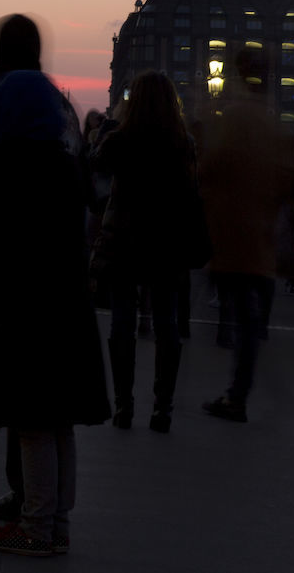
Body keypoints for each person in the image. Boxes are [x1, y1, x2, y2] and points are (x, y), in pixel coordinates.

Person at [0, 14, 109, 558]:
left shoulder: (14, 161)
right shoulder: (62, 154)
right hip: (66, 294)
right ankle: (57, 523)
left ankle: (34, 526)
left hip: (26, 300)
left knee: (31, 418)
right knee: (59, 420)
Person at [92, 71, 206, 433]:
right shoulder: (182, 141)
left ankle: (124, 405)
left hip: (126, 241)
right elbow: (192, 187)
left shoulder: (120, 139)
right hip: (167, 242)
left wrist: (108, 126)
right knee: (166, 322)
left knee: (122, 320)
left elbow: (95, 163)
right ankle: (162, 408)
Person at [199, 48, 294, 422]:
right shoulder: (274, 123)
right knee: (250, 317)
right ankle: (239, 390)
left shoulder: (234, 118)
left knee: (240, 312)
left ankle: (237, 395)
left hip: (232, 234)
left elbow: (210, 169)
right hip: (261, 235)